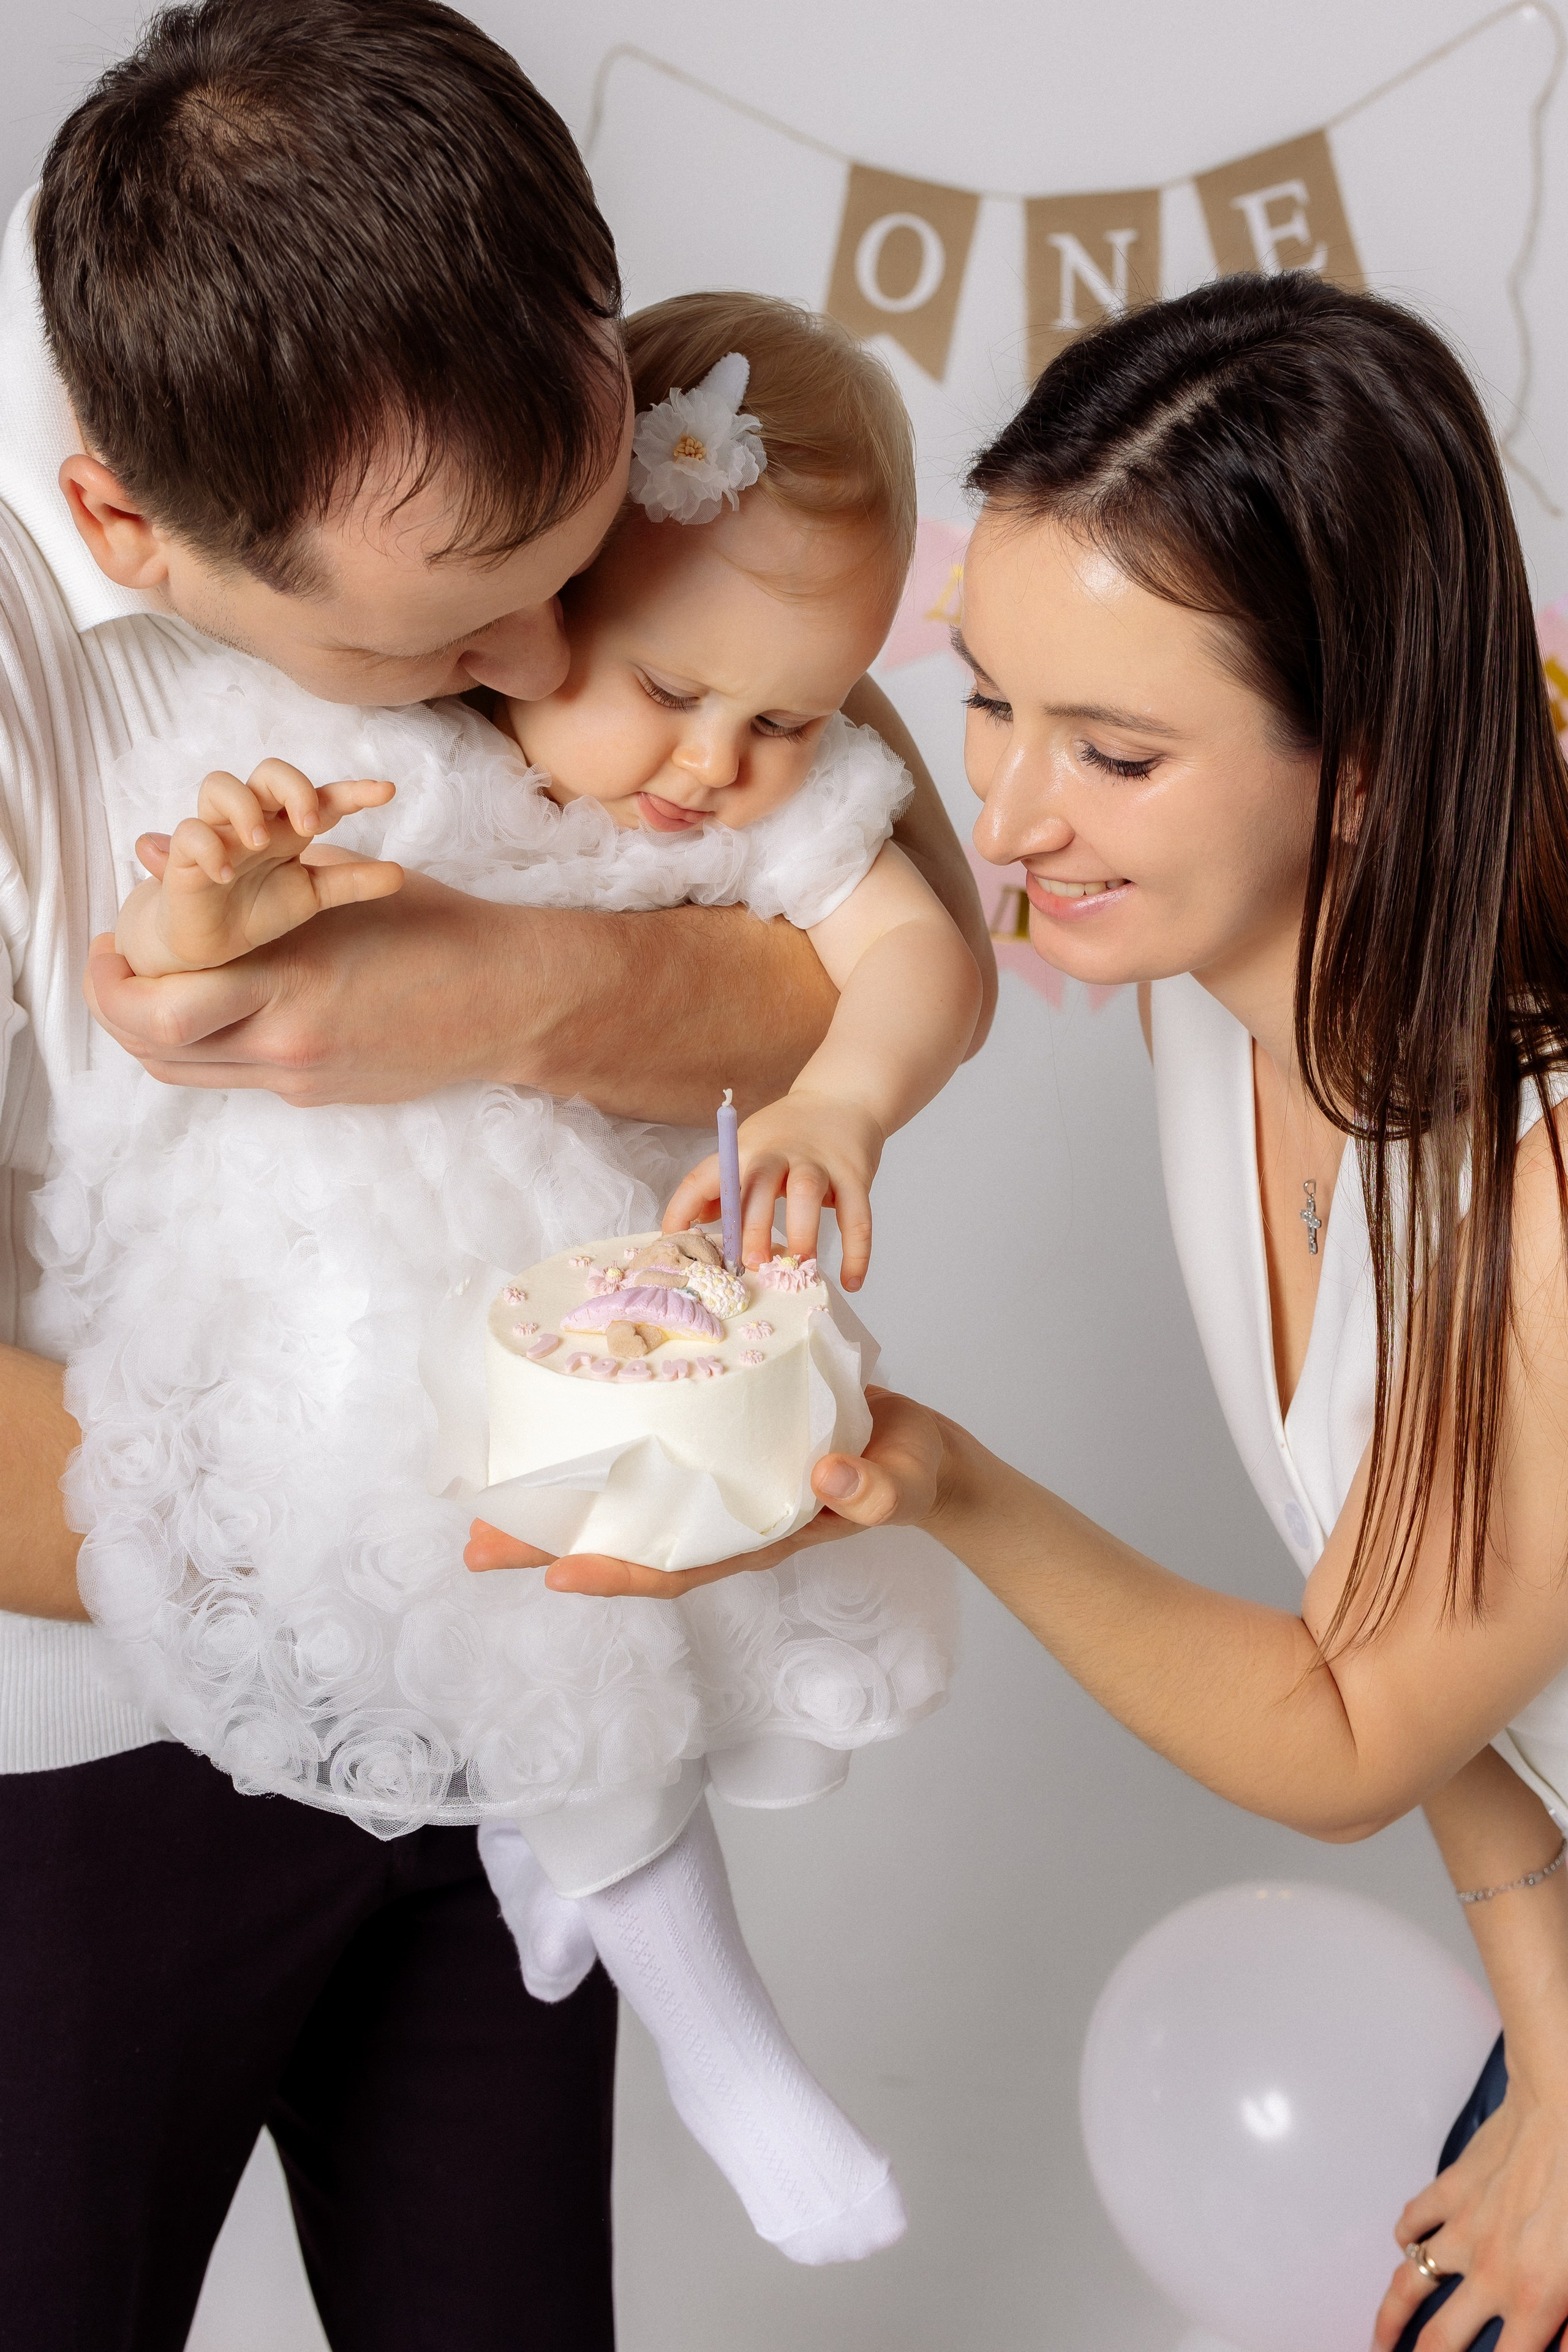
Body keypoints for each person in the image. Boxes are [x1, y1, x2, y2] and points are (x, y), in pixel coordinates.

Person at [0, 2, 990, 2343]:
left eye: (582, 552)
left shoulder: (467, 468)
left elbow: (844, 926)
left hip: (517, 1729)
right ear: (135, 519)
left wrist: (516, 985)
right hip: (83, 1761)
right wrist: (415, 1567)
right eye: (460, 627)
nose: (558, 658)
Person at [502, 273, 1568, 2349]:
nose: (1003, 816)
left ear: (1361, 764)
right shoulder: (1225, 1009)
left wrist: (938, 1482)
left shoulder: (1532, 1189)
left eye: (1119, 750)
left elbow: (1351, 1725)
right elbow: (1430, 1638)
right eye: (990, 698)